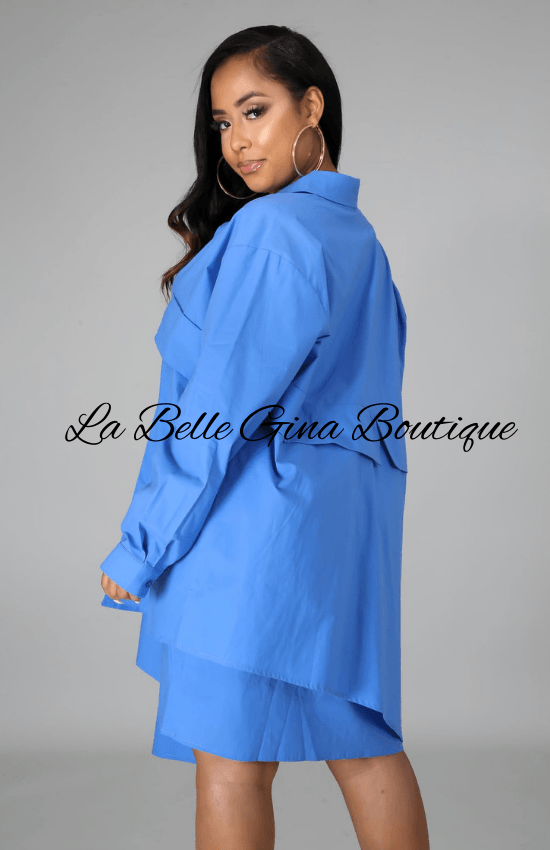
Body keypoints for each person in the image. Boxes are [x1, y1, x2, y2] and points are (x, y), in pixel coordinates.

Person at [99, 24, 430, 850]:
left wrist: (143, 545)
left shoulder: (272, 232)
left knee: (231, 764)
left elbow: (217, 410)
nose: (237, 141)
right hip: (336, 543)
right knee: (364, 749)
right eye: (223, 122)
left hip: (249, 541)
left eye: (255, 111)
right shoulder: (360, 240)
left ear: (311, 105)